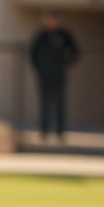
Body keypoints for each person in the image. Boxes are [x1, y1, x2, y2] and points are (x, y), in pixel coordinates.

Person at [30, 9, 80, 143]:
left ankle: (60, 133)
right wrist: (37, 70)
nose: (51, 22)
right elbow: (32, 55)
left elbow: (75, 51)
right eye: (48, 19)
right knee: (45, 104)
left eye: (53, 19)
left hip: (59, 75)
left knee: (60, 104)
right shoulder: (41, 35)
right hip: (44, 75)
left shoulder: (64, 35)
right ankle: (44, 132)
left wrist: (69, 64)